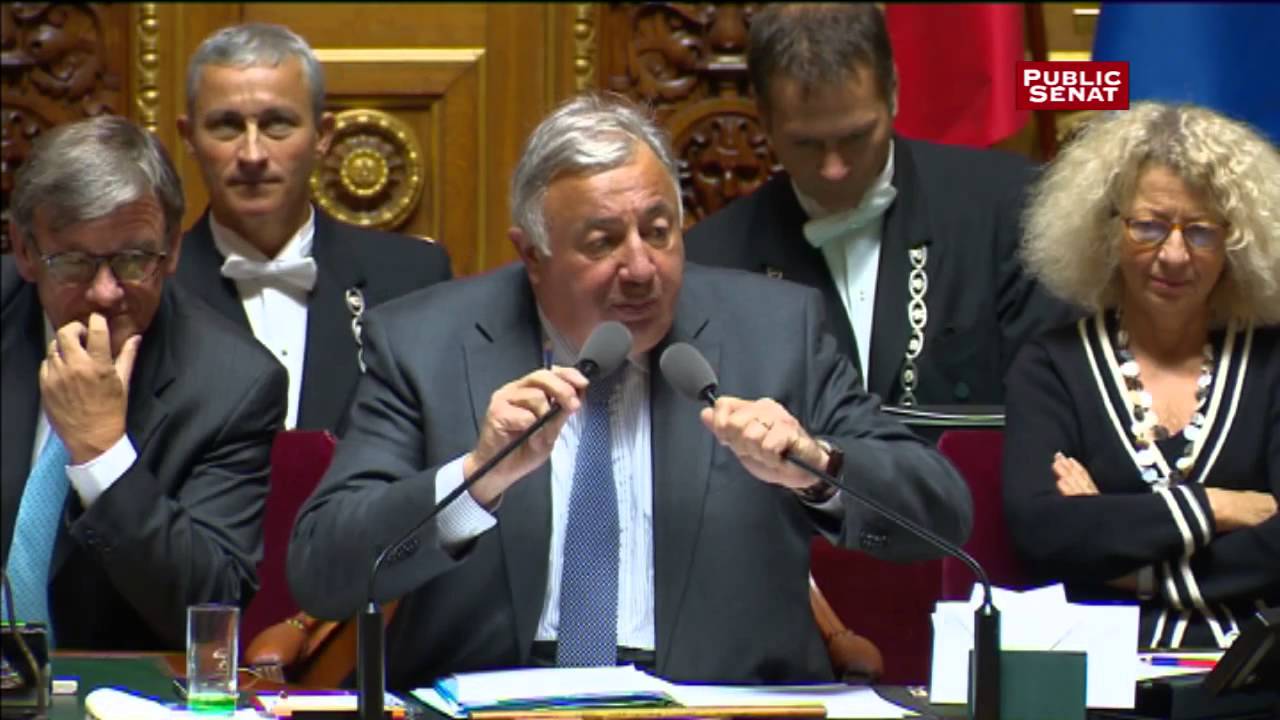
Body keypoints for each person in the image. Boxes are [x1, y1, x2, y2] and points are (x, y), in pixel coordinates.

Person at [287, 93, 971, 688]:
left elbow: (940, 514)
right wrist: (474, 480)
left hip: (719, 701)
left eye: (659, 231)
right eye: (603, 241)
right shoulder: (424, 344)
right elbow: (323, 569)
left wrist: (817, 468)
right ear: (531, 254)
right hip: (499, 700)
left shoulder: (775, 333)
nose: (641, 267)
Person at [685, 3, 1072, 406]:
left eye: (856, 137)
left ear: (893, 93)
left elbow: (1052, 408)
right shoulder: (711, 262)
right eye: (806, 144)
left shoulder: (1010, 210)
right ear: (764, 119)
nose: (834, 169)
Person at [0, 116, 287, 649]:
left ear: (172, 250)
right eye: (74, 262)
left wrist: (104, 458)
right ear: (24, 251)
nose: (106, 292)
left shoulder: (232, 385)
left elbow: (211, 609)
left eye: (133, 260)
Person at [1004, 102, 1280, 649]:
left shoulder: (1271, 363)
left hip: (1256, 672)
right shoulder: (1052, 366)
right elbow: (1042, 532)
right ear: (1107, 230)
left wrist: (1127, 561)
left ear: (1236, 241)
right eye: (1149, 227)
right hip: (1101, 669)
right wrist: (1218, 507)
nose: (1174, 255)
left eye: (1200, 232)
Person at [176, 22, 452, 432]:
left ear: (323, 136)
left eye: (277, 124)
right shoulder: (153, 288)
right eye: (227, 126)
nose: (252, 154)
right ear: (188, 137)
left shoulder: (413, 278)